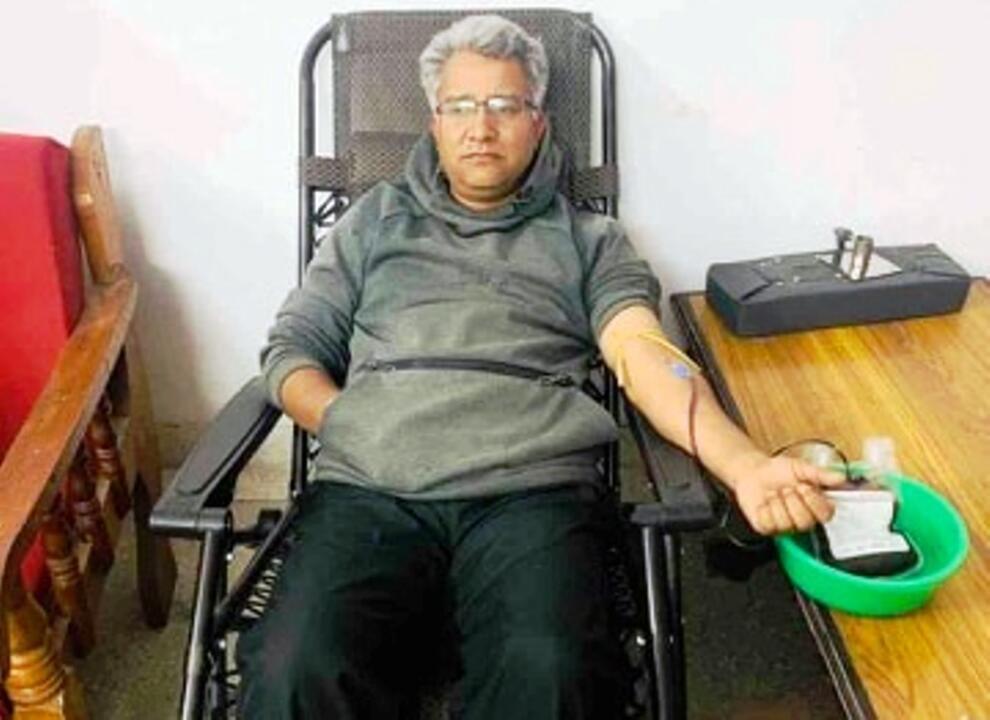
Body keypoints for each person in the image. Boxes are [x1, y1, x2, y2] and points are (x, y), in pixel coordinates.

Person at [237, 14, 842, 719]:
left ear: (539, 123)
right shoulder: (373, 221)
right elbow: (292, 350)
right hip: (371, 489)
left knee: (552, 671)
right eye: (460, 106)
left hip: (530, 493)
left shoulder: (590, 240)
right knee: (295, 667)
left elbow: (644, 355)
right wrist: (346, 418)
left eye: (504, 104)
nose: (480, 127)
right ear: (434, 123)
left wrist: (744, 464)